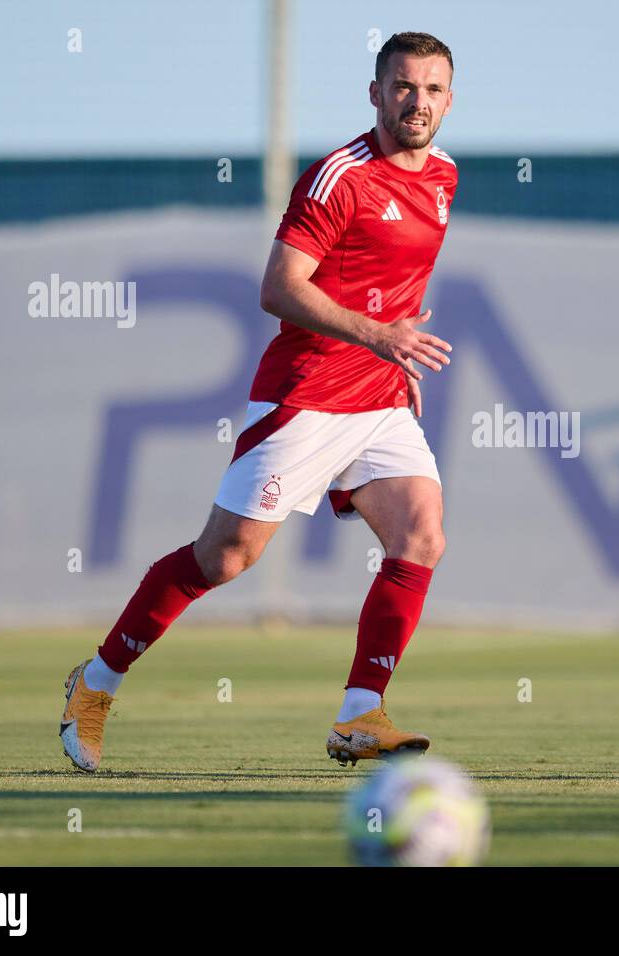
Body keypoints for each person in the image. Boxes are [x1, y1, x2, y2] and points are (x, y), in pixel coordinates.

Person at [59, 31, 458, 771]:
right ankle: (95, 682)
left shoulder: (444, 177)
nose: (417, 102)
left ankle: (358, 714)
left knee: (423, 535)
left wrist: (392, 356)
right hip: (305, 395)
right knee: (226, 557)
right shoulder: (337, 178)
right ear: (375, 93)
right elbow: (279, 287)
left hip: (376, 399)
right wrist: (377, 333)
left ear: (450, 100)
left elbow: (392, 282)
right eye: (403, 86)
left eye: (432, 89)